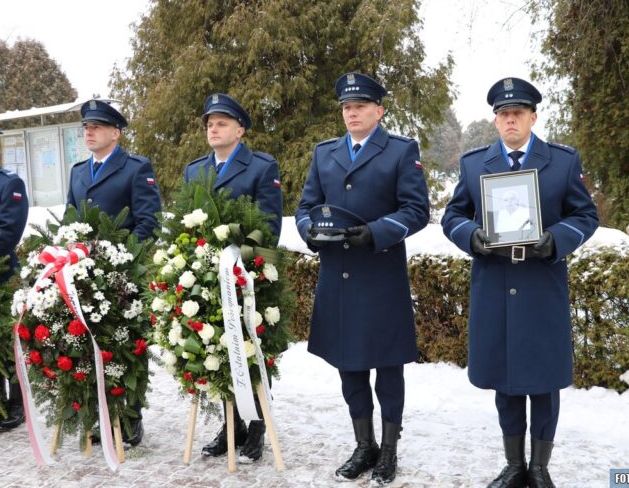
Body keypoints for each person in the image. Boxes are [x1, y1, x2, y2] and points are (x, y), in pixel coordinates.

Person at [441, 77, 598, 488]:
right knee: (506, 380)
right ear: (495, 121)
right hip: (494, 284)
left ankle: (540, 468)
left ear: (533, 117)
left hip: (541, 285)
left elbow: (585, 216)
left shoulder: (562, 161)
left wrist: (556, 240)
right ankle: (514, 465)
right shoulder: (475, 164)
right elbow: (452, 216)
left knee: (544, 381)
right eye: (504, 114)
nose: (510, 119)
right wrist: (471, 236)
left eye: (518, 113)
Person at [295, 72, 429, 485]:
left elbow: (416, 210)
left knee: (388, 369)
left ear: (379, 111)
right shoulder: (325, 153)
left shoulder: (401, 151)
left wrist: (375, 232)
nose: (351, 113)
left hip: (380, 276)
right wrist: (309, 232)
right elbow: (306, 206)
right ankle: (363, 445)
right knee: (348, 367)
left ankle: (388, 450)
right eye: (346, 108)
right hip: (338, 277)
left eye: (360, 106)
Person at [185, 93, 283, 463]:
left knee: (251, 352)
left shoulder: (261, 167)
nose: (213, 128)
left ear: (239, 130)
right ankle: (232, 426)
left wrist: (236, 257)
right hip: (207, 276)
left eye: (222, 123)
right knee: (217, 348)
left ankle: (256, 427)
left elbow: (269, 225)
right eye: (210, 123)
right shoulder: (195, 170)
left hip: (249, 275)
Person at [67, 100, 162, 447]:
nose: (89, 132)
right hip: (84, 277)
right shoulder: (78, 171)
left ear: (115, 133)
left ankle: (131, 417)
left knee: (126, 346)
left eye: (96, 127)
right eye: (86, 127)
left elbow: (149, 224)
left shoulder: (135, 168)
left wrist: (116, 256)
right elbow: (70, 218)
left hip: (123, 276)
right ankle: (98, 414)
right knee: (90, 346)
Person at [0, 127, 29, 432]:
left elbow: (9, 231)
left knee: (7, 341)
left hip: (1, 276)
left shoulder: (8, 183)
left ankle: (16, 404)